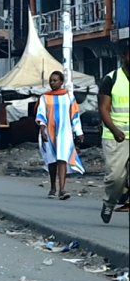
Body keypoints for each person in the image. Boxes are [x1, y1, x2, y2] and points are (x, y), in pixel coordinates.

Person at [36, 71, 84, 200]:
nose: (52, 83)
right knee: (52, 159)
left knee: (62, 158)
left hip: (65, 131)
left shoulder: (69, 96)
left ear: (61, 81)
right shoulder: (44, 97)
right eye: (51, 80)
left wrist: (78, 131)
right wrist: (42, 129)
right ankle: (53, 187)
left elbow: (74, 115)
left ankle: (62, 189)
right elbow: (41, 114)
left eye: (55, 80)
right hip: (49, 131)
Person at [98, 43, 129, 223]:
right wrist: (115, 130)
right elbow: (103, 108)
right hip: (116, 138)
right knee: (116, 178)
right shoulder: (112, 79)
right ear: (124, 57)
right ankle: (109, 203)